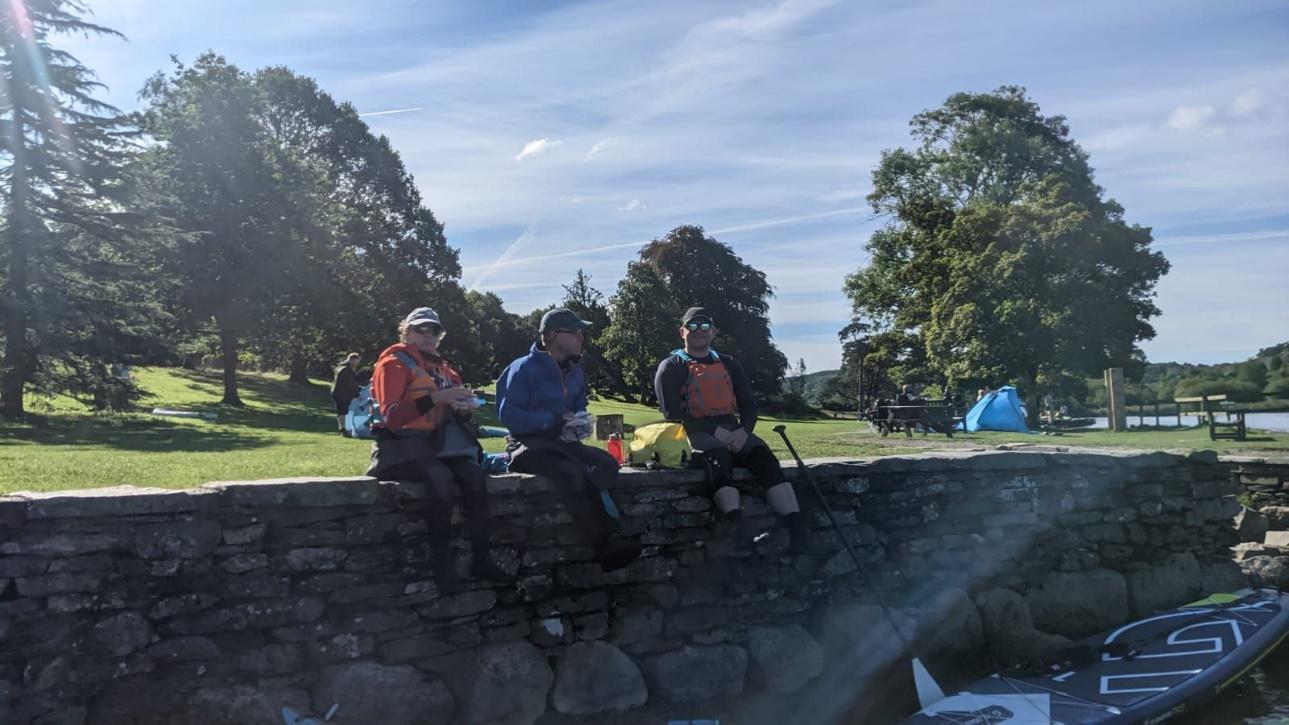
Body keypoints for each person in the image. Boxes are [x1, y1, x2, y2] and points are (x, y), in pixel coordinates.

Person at [366, 307, 511, 593]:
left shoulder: (445, 370)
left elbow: (451, 411)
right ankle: (442, 568)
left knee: (474, 477)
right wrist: (436, 398)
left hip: (440, 446)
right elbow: (392, 416)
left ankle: (482, 559)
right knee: (441, 480)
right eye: (421, 329)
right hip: (398, 448)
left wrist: (463, 407)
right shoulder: (392, 364)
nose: (428, 335)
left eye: (434, 331)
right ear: (406, 332)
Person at [654, 307, 811, 552]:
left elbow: (749, 405)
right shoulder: (671, 366)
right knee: (718, 460)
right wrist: (714, 432)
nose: (699, 331)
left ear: (713, 332)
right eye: (692, 326)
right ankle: (737, 528)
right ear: (682, 331)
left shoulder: (728, 363)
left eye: (705, 326)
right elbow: (671, 413)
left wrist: (743, 431)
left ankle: (796, 528)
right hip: (693, 431)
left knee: (766, 461)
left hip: (733, 428)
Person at [496, 308, 641, 572]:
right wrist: (551, 420)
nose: (580, 337)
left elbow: (578, 405)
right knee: (571, 472)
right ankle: (603, 546)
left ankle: (615, 532)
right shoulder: (523, 368)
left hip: (562, 441)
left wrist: (579, 422)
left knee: (607, 464)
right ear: (552, 335)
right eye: (574, 331)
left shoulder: (574, 370)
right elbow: (508, 415)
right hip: (526, 445)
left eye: (581, 332)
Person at [331, 352, 362, 435]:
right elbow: (350, 384)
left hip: (337, 392)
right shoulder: (347, 370)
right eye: (357, 361)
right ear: (352, 360)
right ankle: (343, 430)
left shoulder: (341, 367)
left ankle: (341, 428)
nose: (358, 363)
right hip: (342, 393)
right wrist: (357, 393)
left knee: (340, 412)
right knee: (342, 411)